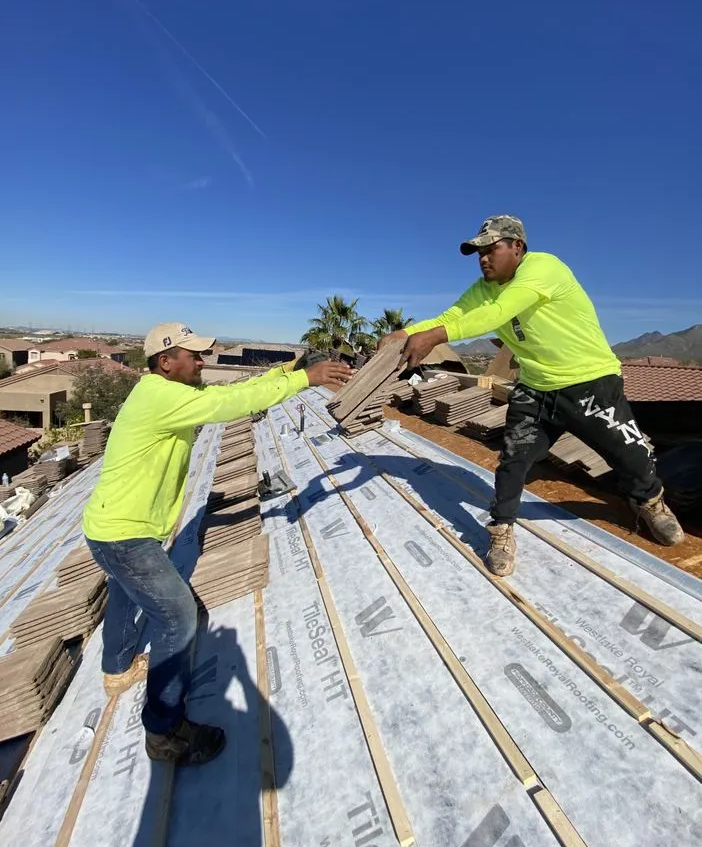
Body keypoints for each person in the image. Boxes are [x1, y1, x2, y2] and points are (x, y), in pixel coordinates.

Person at [83, 322, 352, 764]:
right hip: (126, 535)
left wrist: (281, 374)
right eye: (194, 355)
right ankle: (165, 734)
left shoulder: (157, 391)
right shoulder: (163, 397)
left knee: (122, 592)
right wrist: (305, 380)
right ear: (167, 362)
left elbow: (232, 393)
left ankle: (116, 668)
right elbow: (228, 403)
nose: (202, 361)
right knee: (178, 618)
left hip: (110, 528)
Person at [378, 216, 684, 576]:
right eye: (478, 252)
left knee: (629, 454)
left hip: (590, 383)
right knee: (514, 460)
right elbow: (455, 314)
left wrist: (435, 337)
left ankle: (649, 502)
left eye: (491, 249)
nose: (483, 259)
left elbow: (499, 313)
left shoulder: (544, 268)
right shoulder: (483, 288)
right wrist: (404, 333)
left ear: (517, 247)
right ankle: (502, 528)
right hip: (536, 387)